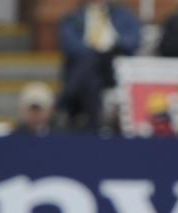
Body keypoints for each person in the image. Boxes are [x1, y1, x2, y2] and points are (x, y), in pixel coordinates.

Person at [57, 0, 141, 131]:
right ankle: (94, 125)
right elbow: (70, 44)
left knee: (87, 68)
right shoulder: (73, 17)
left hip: (114, 63)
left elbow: (134, 38)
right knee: (91, 77)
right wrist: (93, 52)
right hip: (87, 62)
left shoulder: (122, 13)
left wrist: (115, 45)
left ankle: (67, 100)